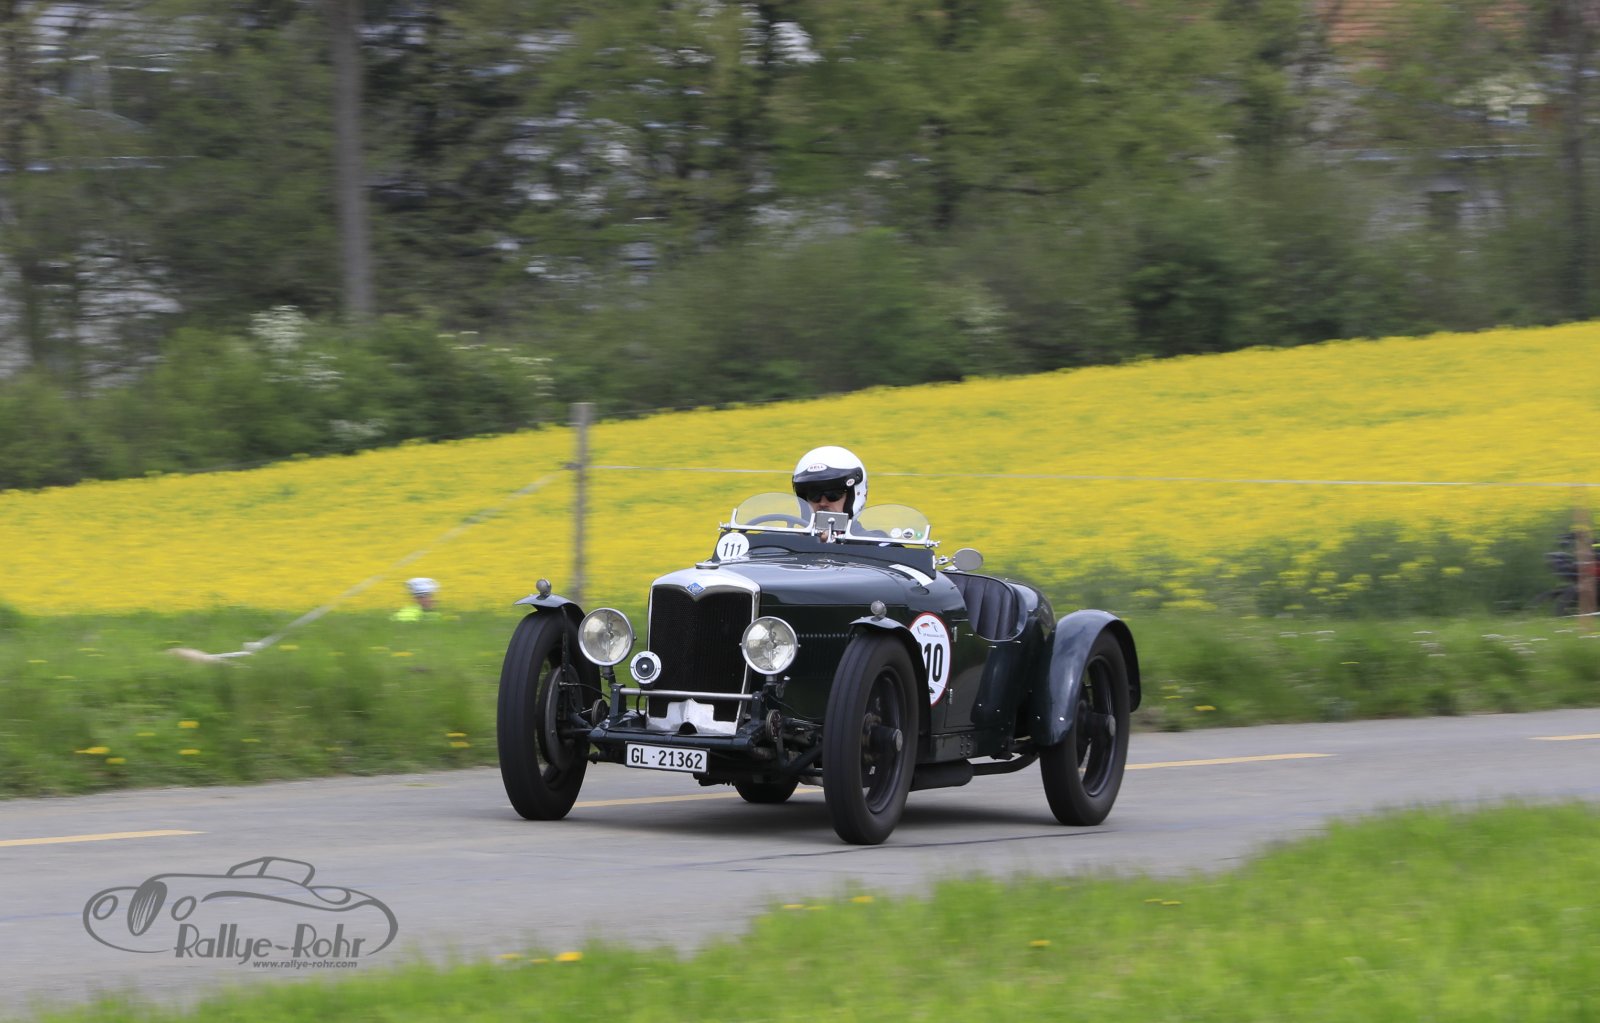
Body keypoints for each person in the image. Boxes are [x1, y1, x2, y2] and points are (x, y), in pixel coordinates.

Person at [792, 445, 868, 519]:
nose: (822, 503)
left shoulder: (871, 528)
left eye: (833, 495)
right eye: (813, 495)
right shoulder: (791, 527)